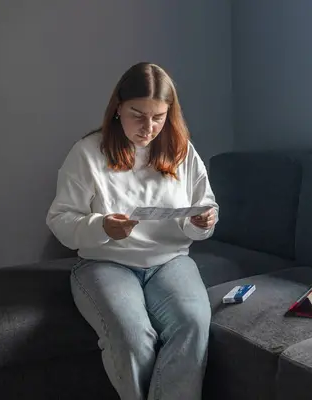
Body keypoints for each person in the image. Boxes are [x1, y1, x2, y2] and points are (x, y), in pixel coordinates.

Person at [46, 62, 219, 400]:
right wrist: (102, 226)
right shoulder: (87, 153)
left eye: (159, 117)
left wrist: (202, 222)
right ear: (117, 109)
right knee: (130, 334)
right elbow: (60, 220)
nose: (148, 127)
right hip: (104, 263)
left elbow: (205, 205)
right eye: (137, 115)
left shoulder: (182, 151)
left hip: (170, 260)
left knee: (193, 323)